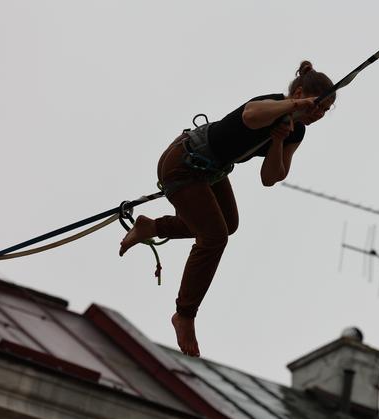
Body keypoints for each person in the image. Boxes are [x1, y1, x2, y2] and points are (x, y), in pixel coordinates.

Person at [119, 61, 335, 357]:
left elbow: (270, 178)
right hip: (183, 164)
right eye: (318, 106)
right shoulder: (270, 104)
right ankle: (184, 314)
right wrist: (293, 105)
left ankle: (153, 226)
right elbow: (250, 114)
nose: (319, 114)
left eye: (325, 111)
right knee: (214, 237)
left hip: (211, 171)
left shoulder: (294, 132)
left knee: (228, 225)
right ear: (299, 93)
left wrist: (278, 142)